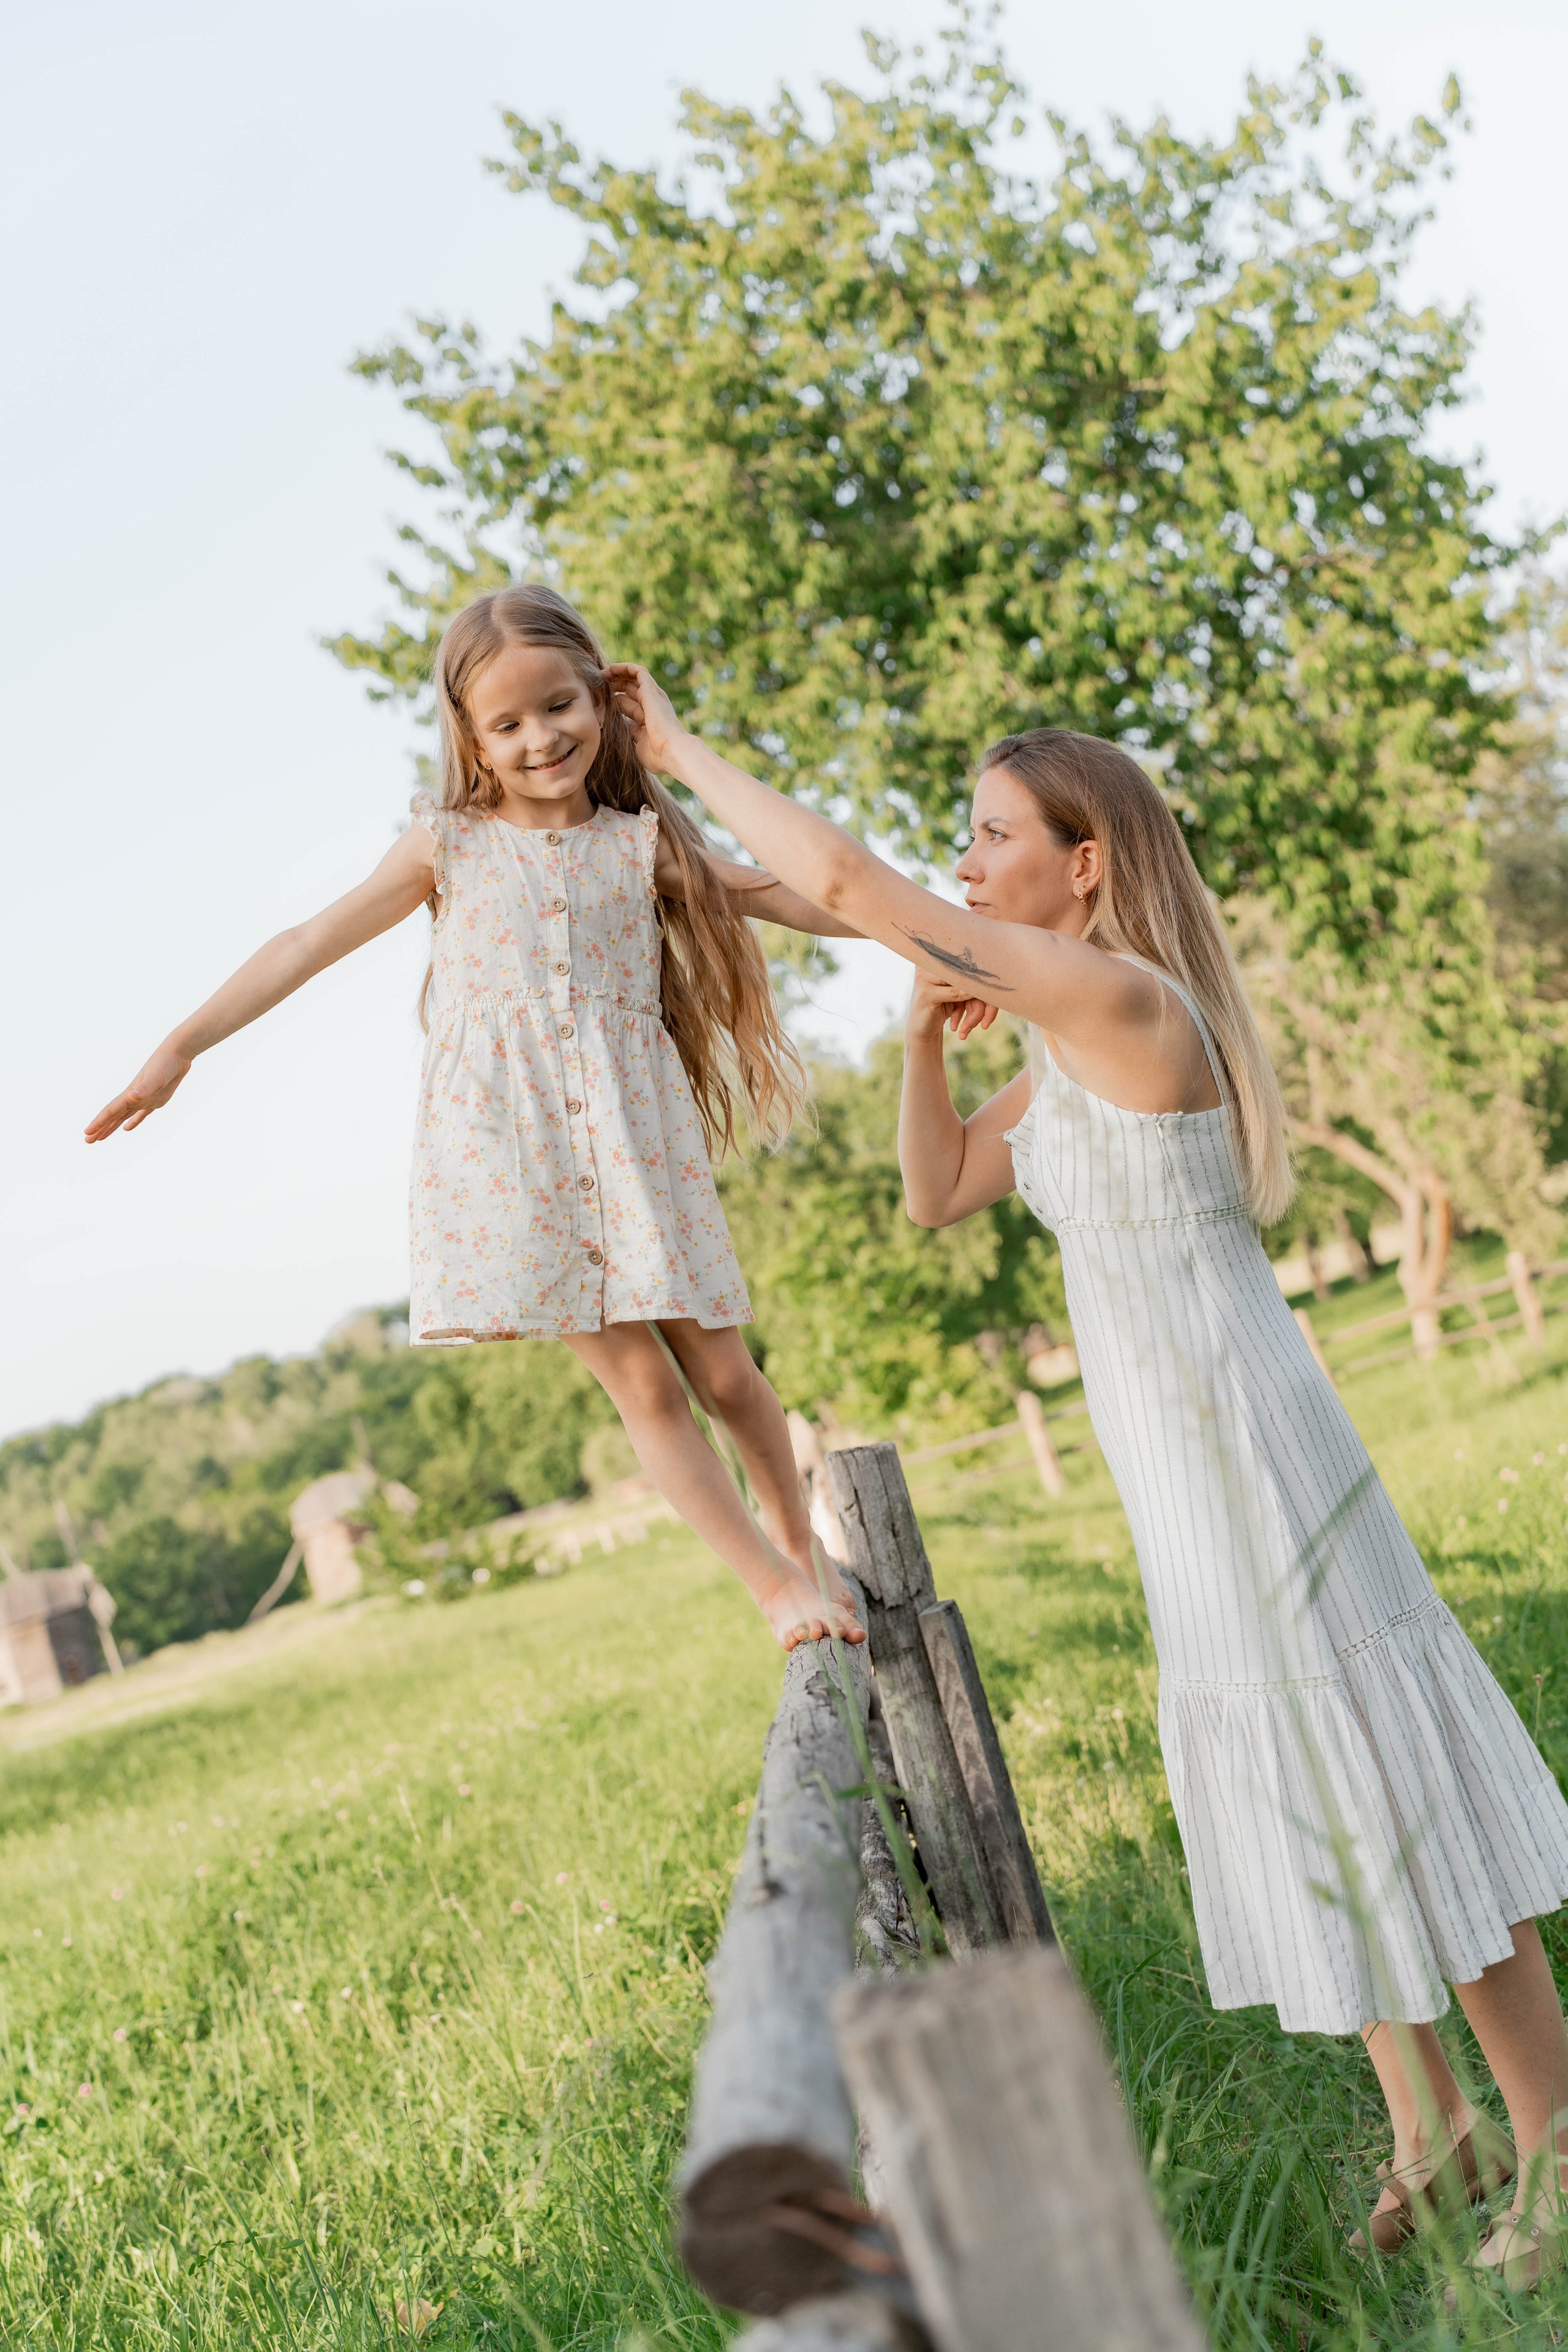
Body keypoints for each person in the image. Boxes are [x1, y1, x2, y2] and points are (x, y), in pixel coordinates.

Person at [608, 663, 1568, 2286]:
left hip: (1255, 1455)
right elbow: (934, 1188)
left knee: (1388, 1786)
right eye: (962, 846)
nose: (965, 865)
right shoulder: (1056, 1044)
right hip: (1181, 1483)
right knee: (1301, 1780)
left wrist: (675, 748)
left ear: (1087, 862)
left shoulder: (1129, 1011)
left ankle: (1549, 2142)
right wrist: (859, 994)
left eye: (991, 837)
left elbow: (846, 888)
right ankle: (1428, 2126)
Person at [85, 587, 864, 1655]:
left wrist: (950, 937)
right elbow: (304, 944)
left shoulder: (642, 849)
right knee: (643, 1383)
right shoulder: (443, 846)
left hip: (638, 1148)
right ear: (470, 738)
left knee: (727, 1374)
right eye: (508, 723)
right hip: (516, 1160)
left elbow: (802, 895)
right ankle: (773, 1590)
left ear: (602, 697)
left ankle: (800, 1548)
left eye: (559, 706)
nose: (541, 737)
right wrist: (181, 1045)